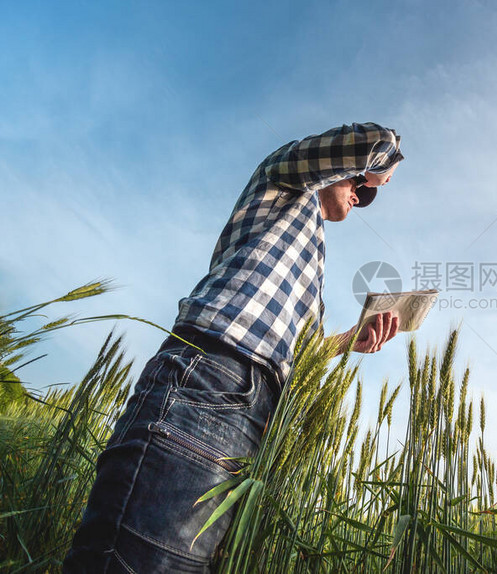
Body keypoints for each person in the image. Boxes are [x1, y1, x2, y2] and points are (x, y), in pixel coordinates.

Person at [64, 122, 405, 572]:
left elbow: (292, 354)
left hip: (255, 415)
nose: (361, 195)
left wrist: (347, 341)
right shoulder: (284, 181)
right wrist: (382, 164)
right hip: (211, 381)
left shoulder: (313, 263)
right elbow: (370, 141)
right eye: (359, 184)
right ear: (338, 170)